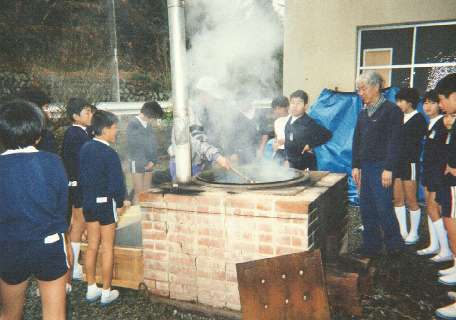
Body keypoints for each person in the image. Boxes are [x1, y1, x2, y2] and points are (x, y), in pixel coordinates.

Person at [0, 100, 68, 320]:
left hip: (8, 245)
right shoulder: (52, 162)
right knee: (54, 315)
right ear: (38, 134)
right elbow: (61, 210)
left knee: (10, 313)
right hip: (48, 244)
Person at [352, 70, 404, 258]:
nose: (360, 93)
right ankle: (371, 246)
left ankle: (395, 245)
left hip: (382, 167)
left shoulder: (392, 111)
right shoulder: (363, 112)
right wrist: (355, 165)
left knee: (383, 207)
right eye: (358, 89)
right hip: (366, 167)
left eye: (363, 89)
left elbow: (395, 142)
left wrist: (389, 168)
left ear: (376, 87)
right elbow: (357, 140)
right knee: (366, 207)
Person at [79, 110, 129, 305]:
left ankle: (91, 288)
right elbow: (117, 182)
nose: (116, 132)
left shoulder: (85, 148)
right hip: (106, 203)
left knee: (92, 246)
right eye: (115, 128)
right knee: (107, 247)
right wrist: (121, 201)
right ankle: (106, 291)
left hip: (89, 202)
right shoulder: (109, 153)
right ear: (106, 129)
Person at [417, 90, 451, 262]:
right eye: (425, 103)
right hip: (428, 172)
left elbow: (445, 153)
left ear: (440, 105)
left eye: (432, 102)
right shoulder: (430, 124)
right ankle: (434, 245)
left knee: (433, 208)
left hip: (438, 175)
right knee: (431, 210)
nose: (427, 106)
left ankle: (445, 250)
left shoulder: (444, 124)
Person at [62, 98, 93, 280]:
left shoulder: (83, 132)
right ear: (75, 116)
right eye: (86, 112)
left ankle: (74, 265)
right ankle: (73, 268)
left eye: (90, 111)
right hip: (78, 185)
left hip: (80, 185)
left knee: (79, 225)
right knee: (78, 225)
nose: (90, 115)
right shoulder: (75, 134)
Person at [433, 73, 456, 319]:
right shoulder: (452, 121)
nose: (441, 104)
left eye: (442, 99)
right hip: (450, 184)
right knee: (452, 232)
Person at [393, 88, 427, 245]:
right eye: (397, 101)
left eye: (401, 101)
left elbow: (412, 144)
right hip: (396, 164)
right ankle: (402, 230)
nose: (398, 104)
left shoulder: (419, 119)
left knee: (411, 200)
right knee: (398, 199)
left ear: (410, 102)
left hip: (410, 164)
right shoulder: (397, 118)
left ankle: (414, 233)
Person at [284, 90, 332, 170]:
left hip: (305, 165)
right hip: (291, 164)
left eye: (298, 103)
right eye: (292, 103)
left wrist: (310, 145)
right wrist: (285, 159)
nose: (295, 106)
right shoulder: (289, 121)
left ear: (305, 106)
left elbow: (327, 134)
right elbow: (287, 142)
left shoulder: (309, 122)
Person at [126, 101, 163, 204]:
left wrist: (152, 161)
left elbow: (153, 144)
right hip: (138, 162)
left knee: (146, 192)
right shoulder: (133, 124)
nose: (155, 120)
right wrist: (144, 163)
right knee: (139, 193)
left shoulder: (148, 125)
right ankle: (137, 216)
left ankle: (144, 216)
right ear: (150, 115)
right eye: (155, 118)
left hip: (149, 163)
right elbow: (135, 146)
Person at [17, 87, 58, 154]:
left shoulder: (14, 135)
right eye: (46, 108)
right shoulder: (45, 136)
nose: (49, 114)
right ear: (36, 111)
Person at [271, 95, 290, 164]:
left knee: (287, 168)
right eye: (275, 109)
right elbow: (277, 137)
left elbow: (299, 138)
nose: (277, 111)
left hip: (291, 151)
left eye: (279, 108)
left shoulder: (293, 119)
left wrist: (285, 141)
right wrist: (275, 143)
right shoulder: (276, 122)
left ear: (287, 107)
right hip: (279, 151)